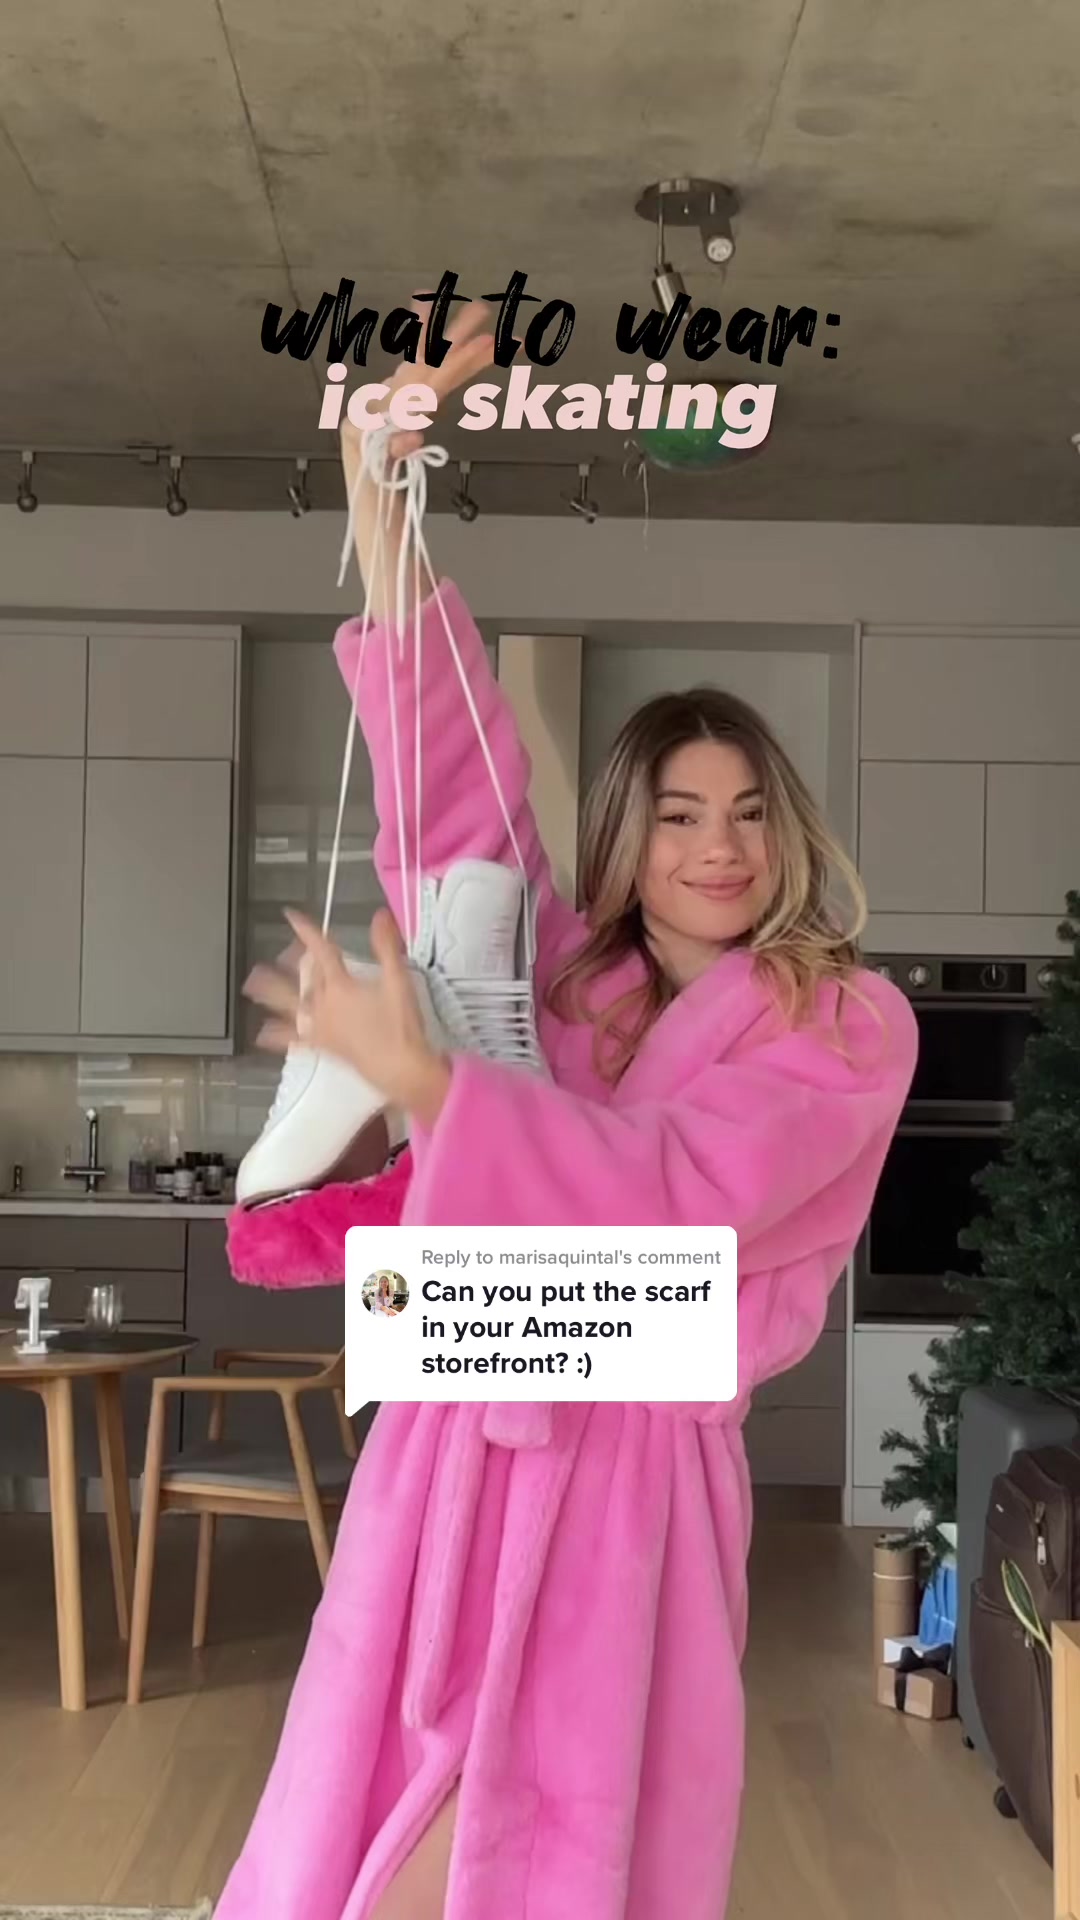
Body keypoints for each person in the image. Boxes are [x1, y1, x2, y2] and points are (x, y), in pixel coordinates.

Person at [217, 303, 917, 1920]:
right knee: (358, 1830)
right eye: (677, 814)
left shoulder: (843, 1022)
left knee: (551, 1857)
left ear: (791, 834)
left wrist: (436, 1098)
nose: (719, 846)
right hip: (454, 1445)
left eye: (749, 812)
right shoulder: (565, 974)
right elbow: (455, 799)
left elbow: (682, 1197)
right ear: (627, 835)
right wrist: (380, 492)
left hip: (632, 1497)